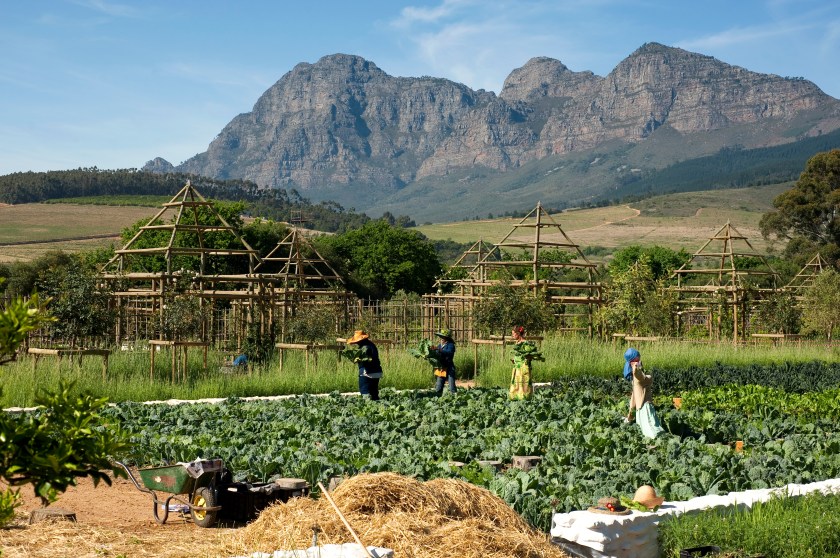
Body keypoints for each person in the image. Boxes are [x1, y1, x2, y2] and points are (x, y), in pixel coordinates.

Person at [624, 348, 664, 439]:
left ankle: (655, 444)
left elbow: (633, 398)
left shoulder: (635, 379)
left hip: (640, 409)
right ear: (636, 359)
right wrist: (636, 369)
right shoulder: (637, 375)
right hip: (646, 407)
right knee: (653, 431)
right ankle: (660, 444)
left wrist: (629, 415)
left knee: (646, 432)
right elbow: (639, 375)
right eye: (639, 357)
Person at [346, 330, 383, 401]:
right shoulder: (371, 345)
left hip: (367, 373)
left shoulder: (365, 348)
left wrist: (358, 359)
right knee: (374, 393)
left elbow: (366, 359)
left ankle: (367, 406)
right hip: (377, 372)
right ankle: (376, 407)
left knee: (364, 391)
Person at [509, 325, 533, 400]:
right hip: (517, 368)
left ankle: (524, 402)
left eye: (513, 334)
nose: (512, 335)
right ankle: (516, 401)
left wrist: (525, 360)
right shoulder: (517, 343)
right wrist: (515, 360)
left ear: (518, 333)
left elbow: (530, 356)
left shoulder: (526, 343)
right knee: (516, 386)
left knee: (523, 386)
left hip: (523, 369)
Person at [433, 327, 456, 395]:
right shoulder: (440, 345)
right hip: (442, 368)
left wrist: (439, 350)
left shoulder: (451, 345)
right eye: (441, 337)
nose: (442, 338)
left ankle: (455, 398)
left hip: (449, 367)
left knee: (451, 386)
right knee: (438, 386)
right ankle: (437, 398)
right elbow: (437, 353)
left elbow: (449, 353)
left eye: (443, 337)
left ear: (447, 338)